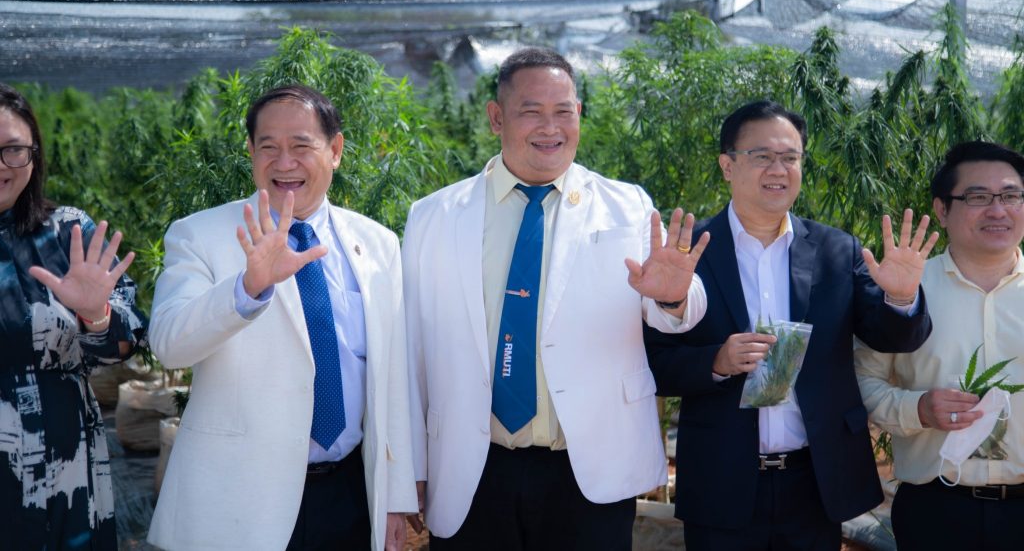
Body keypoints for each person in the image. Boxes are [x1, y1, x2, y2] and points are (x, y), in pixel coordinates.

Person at [403, 46, 709, 550]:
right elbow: (412, 352)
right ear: (496, 118)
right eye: (532, 111)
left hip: (588, 469)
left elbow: (679, 310)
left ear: (579, 114)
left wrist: (673, 299)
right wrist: (408, 468)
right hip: (470, 469)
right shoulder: (434, 216)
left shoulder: (627, 206)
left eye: (564, 111)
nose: (551, 128)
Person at [644, 100, 937, 551]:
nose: (778, 169)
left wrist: (900, 297)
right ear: (727, 165)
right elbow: (656, 365)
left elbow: (892, 336)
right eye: (762, 156)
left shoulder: (836, 250)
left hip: (815, 482)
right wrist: (716, 361)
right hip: (723, 481)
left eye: (790, 157)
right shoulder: (687, 255)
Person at [146, 84, 416, 551]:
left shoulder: (377, 243)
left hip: (350, 492)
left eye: (301, 146)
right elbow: (169, 344)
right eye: (268, 147)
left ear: (335, 150)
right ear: (251, 152)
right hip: (239, 501)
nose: (284, 163)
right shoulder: (201, 235)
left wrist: (395, 495)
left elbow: (393, 378)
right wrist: (247, 289)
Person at [855, 141, 1024, 551]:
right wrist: (918, 410)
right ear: (942, 209)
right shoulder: (903, 289)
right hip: (936, 509)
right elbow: (862, 381)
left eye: (1011, 196)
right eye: (978, 197)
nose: (998, 210)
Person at [0, 83, 147, 550]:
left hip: (61, 460)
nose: (1, 164)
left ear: (34, 154)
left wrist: (95, 314)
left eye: (13, 149)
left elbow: (128, 338)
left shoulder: (67, 232)